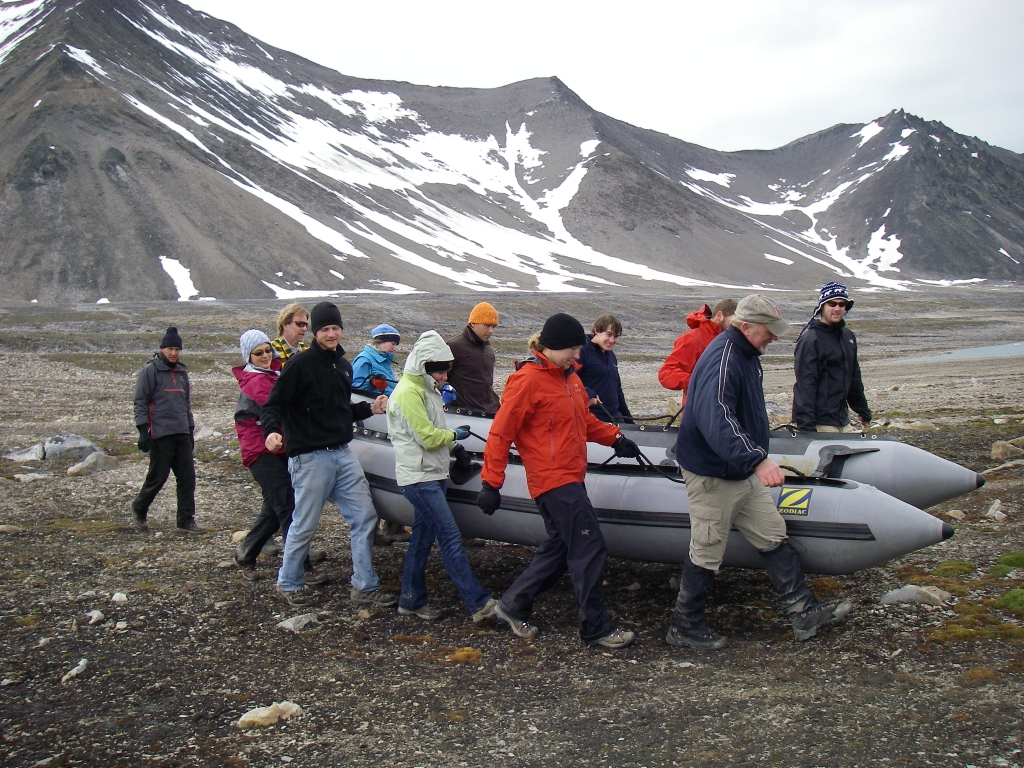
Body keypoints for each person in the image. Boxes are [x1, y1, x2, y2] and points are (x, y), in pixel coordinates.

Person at [666, 295, 853, 651]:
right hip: (713, 472)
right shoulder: (725, 358)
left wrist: (750, 459)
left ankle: (803, 612)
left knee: (772, 534)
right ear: (747, 326)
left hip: (737, 468)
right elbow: (715, 417)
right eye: (770, 331)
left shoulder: (746, 354)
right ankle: (683, 625)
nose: (774, 338)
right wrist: (756, 460)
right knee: (707, 548)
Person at [477, 313, 641, 650]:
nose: (578, 356)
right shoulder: (526, 382)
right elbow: (500, 433)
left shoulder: (571, 379)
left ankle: (512, 604)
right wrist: (490, 483)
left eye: (579, 350)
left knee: (562, 546)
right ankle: (595, 627)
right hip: (551, 480)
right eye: (572, 350)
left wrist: (616, 438)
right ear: (552, 347)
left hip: (571, 476)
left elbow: (584, 423)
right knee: (589, 545)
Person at [261, 302, 396, 608]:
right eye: (325, 329)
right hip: (309, 459)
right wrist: (271, 431)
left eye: (335, 328)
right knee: (305, 524)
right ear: (315, 332)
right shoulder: (300, 366)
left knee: (364, 517)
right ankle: (289, 582)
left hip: (342, 454)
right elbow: (273, 404)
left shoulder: (343, 366)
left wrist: (369, 408)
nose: (331, 334)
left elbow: (339, 411)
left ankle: (364, 585)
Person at [387, 330, 498, 622]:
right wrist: (452, 435)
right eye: (440, 371)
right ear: (424, 366)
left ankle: (410, 600)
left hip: (432, 473)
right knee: (449, 537)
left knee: (422, 538)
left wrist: (454, 446)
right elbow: (425, 436)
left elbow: (432, 429)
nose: (445, 377)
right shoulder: (409, 393)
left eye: (446, 371)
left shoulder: (426, 390)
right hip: (419, 477)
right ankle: (479, 604)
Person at [230, 330, 325, 585]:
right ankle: (301, 567)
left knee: (275, 506)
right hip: (260, 452)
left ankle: (246, 553)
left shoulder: (273, 374)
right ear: (248, 356)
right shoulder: (256, 382)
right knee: (287, 506)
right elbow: (283, 407)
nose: (265, 356)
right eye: (258, 353)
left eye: (267, 350)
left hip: (279, 449)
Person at [131, 327, 202, 533]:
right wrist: (143, 430)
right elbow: (140, 401)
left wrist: (190, 430)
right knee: (158, 477)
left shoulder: (181, 373)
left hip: (181, 432)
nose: (174, 353)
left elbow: (186, 404)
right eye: (170, 349)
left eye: (177, 349)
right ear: (162, 349)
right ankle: (139, 506)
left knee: (187, 478)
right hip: (160, 433)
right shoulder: (150, 370)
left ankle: (186, 520)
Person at [792, 282, 872, 433]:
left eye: (842, 304)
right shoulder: (811, 340)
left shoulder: (848, 337)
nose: (837, 308)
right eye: (832, 303)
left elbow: (854, 377)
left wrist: (862, 410)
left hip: (842, 420)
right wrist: (806, 428)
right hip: (819, 422)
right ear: (822, 306)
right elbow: (805, 386)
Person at [658, 299, 737, 409]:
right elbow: (666, 374)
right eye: (733, 322)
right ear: (720, 316)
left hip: (725, 408)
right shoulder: (692, 339)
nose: (736, 327)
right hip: (699, 411)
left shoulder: (732, 340)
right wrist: (699, 381)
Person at [446, 302, 501, 413]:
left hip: (490, 413)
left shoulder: (488, 350)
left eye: (493, 326)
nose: (491, 331)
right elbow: (437, 377)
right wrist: (443, 387)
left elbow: (487, 385)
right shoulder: (454, 346)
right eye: (487, 325)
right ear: (473, 324)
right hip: (463, 414)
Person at [577, 314, 633, 424]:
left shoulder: (611, 355)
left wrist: (629, 421)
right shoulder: (581, 352)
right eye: (609, 335)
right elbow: (569, 382)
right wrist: (588, 392)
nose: (612, 340)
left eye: (616, 337)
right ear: (597, 330)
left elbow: (618, 390)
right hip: (593, 420)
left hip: (615, 419)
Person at [352, 324, 401, 396]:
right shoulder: (364, 359)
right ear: (380, 341)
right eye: (393, 344)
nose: (395, 348)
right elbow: (355, 387)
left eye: (396, 345)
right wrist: (371, 383)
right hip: (372, 403)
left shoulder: (384, 360)